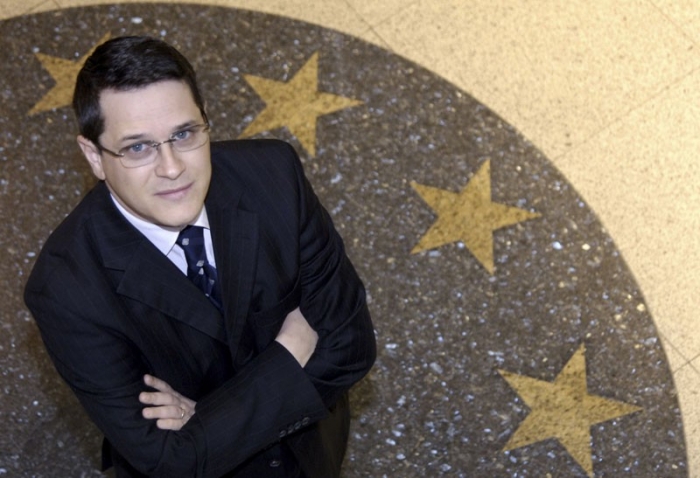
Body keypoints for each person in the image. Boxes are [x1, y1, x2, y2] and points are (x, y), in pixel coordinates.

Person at [24, 35, 375, 478]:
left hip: (312, 452)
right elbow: (168, 461)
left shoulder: (275, 175)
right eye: (137, 147)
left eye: (184, 134)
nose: (172, 168)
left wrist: (204, 420)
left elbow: (352, 346)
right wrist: (288, 355)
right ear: (94, 156)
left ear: (206, 120)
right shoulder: (64, 289)